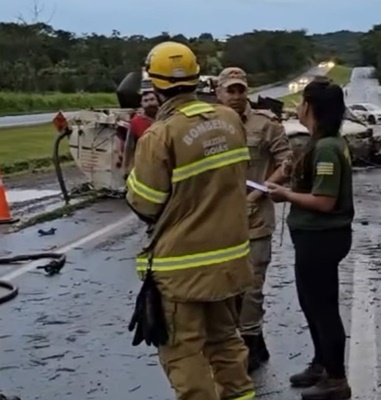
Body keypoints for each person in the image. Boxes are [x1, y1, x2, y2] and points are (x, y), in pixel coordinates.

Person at [126, 41, 255, 400]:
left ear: (155, 85)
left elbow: (145, 205)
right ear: (198, 78)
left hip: (181, 269)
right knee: (227, 345)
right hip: (229, 260)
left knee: (184, 354)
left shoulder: (159, 135)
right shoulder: (230, 120)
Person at [266, 79, 354, 400]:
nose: (298, 107)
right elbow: (291, 169)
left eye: (302, 102)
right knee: (310, 303)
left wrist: (284, 195)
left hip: (323, 238)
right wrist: (261, 189)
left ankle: (336, 380)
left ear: (311, 107)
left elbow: (324, 201)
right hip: (310, 238)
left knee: (324, 307)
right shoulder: (316, 142)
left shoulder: (328, 147)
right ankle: (321, 363)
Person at [216, 67, 292, 372]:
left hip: (255, 218)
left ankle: (250, 343)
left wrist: (257, 194)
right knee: (224, 285)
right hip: (217, 221)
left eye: (240, 90)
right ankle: (246, 340)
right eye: (229, 91)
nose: (235, 97)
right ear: (218, 92)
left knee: (252, 286)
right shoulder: (206, 126)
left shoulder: (266, 124)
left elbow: (286, 163)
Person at [116, 90, 158, 171]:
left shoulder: (165, 117)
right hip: (144, 164)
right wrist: (126, 167)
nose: (149, 103)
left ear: (158, 101)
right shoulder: (136, 122)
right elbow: (129, 146)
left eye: (152, 99)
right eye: (146, 101)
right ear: (141, 104)